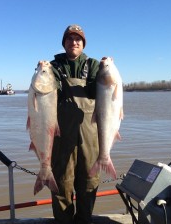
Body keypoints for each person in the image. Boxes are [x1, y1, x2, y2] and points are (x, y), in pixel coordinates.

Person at [49, 24, 100, 224]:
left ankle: (84, 220)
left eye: (78, 39)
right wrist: (42, 71)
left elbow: (99, 91)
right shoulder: (54, 66)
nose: (74, 42)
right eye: (69, 39)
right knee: (62, 183)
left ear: (83, 43)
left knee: (88, 182)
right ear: (64, 43)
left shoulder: (94, 65)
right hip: (62, 135)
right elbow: (48, 90)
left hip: (90, 135)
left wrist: (108, 74)